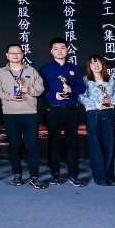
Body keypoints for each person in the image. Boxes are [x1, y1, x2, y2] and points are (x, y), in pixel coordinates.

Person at [0, 43, 46, 189]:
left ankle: (34, 176)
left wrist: (28, 89)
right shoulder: (1, 72)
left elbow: (40, 88)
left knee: (32, 146)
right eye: (12, 53)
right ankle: (17, 174)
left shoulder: (31, 70)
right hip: (10, 114)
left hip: (29, 114)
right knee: (14, 146)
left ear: (22, 55)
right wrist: (9, 97)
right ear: (7, 55)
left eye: (18, 52)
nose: (15, 55)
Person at [39, 38, 86, 187]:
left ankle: (74, 175)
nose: (59, 51)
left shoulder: (74, 68)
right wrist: (53, 96)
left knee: (73, 143)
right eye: (56, 48)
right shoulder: (45, 68)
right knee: (53, 143)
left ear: (67, 50)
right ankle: (55, 174)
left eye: (62, 48)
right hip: (53, 109)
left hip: (71, 109)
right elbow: (40, 89)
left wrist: (72, 90)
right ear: (51, 51)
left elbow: (82, 87)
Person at [78, 55, 115, 185]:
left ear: (103, 65)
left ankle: (110, 176)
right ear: (89, 66)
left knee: (109, 146)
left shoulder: (110, 80)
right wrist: (98, 104)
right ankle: (100, 177)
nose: (96, 65)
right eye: (93, 63)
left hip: (109, 113)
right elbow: (80, 97)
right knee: (95, 146)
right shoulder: (85, 80)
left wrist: (111, 100)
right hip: (93, 113)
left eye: (98, 63)